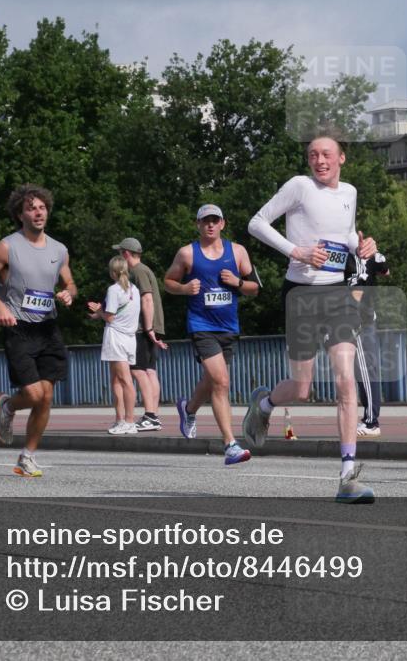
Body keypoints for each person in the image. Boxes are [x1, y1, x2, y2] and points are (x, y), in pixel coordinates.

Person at [246, 134, 379, 503]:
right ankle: (265, 404)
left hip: (337, 294)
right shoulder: (299, 187)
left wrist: (363, 246)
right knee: (302, 389)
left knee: (345, 382)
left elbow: (346, 235)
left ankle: (347, 476)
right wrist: (298, 252)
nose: (318, 160)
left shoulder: (349, 192)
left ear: (342, 158)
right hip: (301, 294)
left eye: (325, 154)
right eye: (312, 155)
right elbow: (256, 223)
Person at [0, 184, 77, 477]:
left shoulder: (59, 249)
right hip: (18, 327)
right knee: (33, 393)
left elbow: (69, 282)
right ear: (20, 214)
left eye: (42, 207)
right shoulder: (8, 246)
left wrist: (69, 293)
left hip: (48, 328)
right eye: (31, 208)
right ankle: (8, 406)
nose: (38, 212)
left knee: (46, 396)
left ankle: (27, 457)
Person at [164, 204, 258, 465]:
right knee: (222, 382)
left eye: (215, 220)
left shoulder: (237, 251)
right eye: (205, 221)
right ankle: (230, 444)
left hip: (228, 326)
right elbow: (168, 282)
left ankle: (189, 409)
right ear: (198, 224)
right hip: (201, 325)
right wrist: (184, 289)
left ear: (222, 224)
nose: (210, 225)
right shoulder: (187, 253)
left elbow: (254, 288)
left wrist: (237, 282)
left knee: (212, 380)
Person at [112, 237, 168, 432]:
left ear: (126, 253)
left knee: (138, 370)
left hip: (143, 328)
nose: (119, 257)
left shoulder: (137, 271)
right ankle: (152, 415)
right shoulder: (144, 270)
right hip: (151, 327)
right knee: (150, 371)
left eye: (120, 253)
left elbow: (147, 300)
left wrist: (148, 329)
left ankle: (150, 415)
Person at [87, 256, 140, 435]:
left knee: (124, 380)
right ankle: (120, 419)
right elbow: (118, 313)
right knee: (117, 380)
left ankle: (129, 421)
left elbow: (109, 317)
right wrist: (99, 314)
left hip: (116, 336)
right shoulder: (134, 289)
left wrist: (98, 311)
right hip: (130, 337)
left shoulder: (113, 289)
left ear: (112, 272)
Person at [345, 251, 391, 437]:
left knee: (365, 371)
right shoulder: (373, 255)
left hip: (359, 322)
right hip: (362, 319)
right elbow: (386, 271)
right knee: (362, 372)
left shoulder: (348, 258)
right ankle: (369, 420)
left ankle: (371, 422)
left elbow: (355, 292)